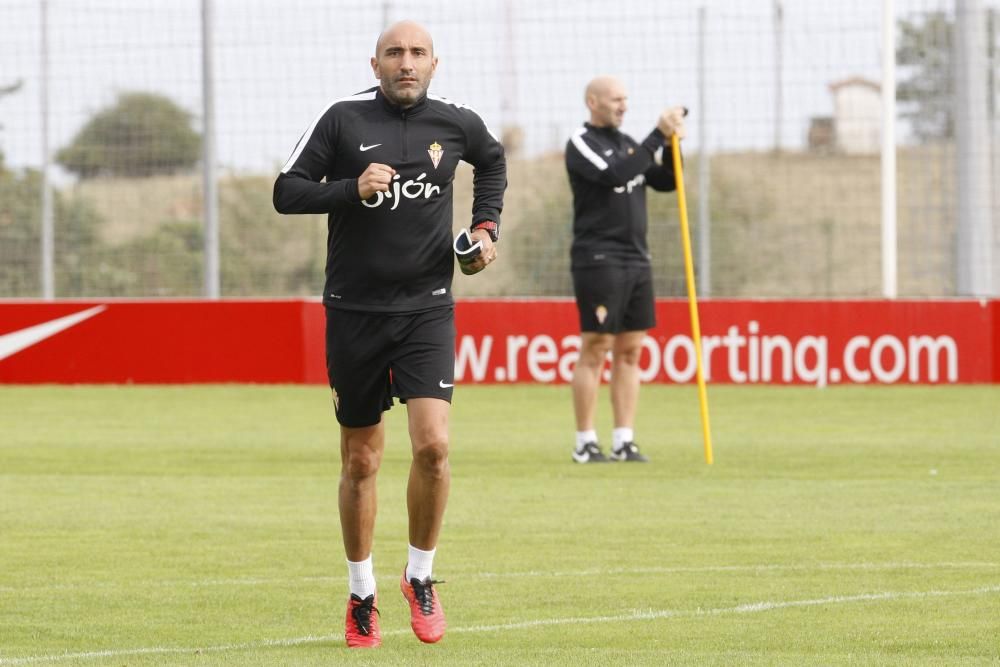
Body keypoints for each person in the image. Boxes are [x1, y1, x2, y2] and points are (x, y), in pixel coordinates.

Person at [272, 20, 506, 648]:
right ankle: (361, 592)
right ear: (374, 63)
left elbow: (491, 162)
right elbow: (286, 192)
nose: (407, 62)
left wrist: (486, 230)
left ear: (436, 63)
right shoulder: (342, 120)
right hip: (353, 311)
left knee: (433, 447)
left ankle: (420, 577)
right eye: (395, 53)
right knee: (362, 459)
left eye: (418, 53)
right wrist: (350, 188)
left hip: (428, 309)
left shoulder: (457, 125)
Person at [564, 75, 685, 464]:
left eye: (626, 99)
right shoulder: (582, 144)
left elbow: (668, 181)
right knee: (596, 347)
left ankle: (624, 440)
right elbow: (614, 174)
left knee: (631, 350)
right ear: (592, 101)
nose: (623, 105)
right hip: (599, 259)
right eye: (616, 99)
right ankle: (585, 441)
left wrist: (671, 143)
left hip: (637, 258)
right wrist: (656, 136)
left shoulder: (631, 144)